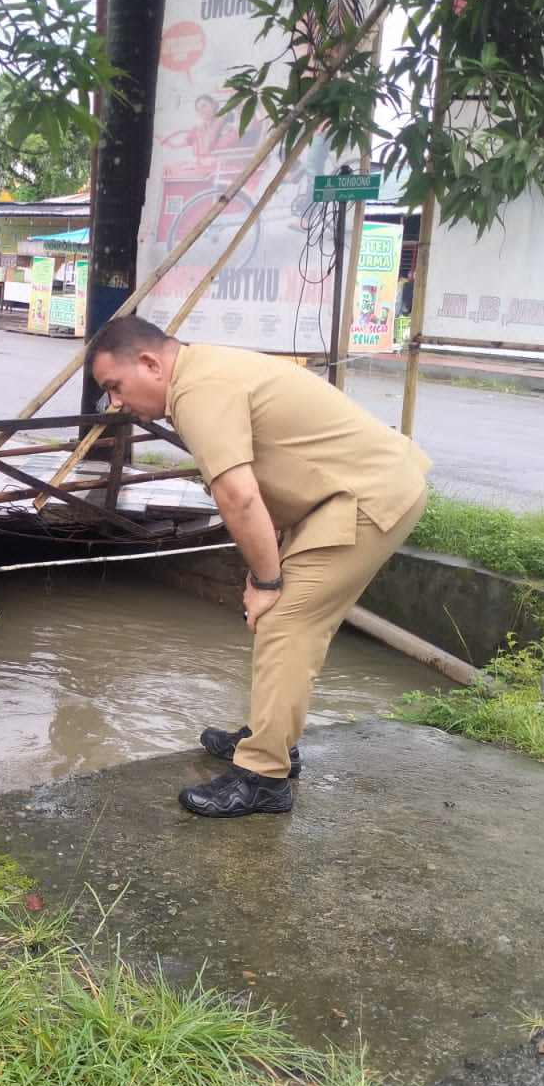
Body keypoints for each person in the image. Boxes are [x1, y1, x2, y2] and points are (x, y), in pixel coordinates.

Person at [85, 317, 431, 818]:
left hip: (365, 495)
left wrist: (268, 580)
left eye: (113, 386)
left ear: (150, 363)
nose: (115, 402)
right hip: (336, 496)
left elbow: (239, 497)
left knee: (288, 620)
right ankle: (271, 738)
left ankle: (264, 777)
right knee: (285, 618)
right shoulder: (201, 372)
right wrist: (261, 575)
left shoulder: (199, 390)